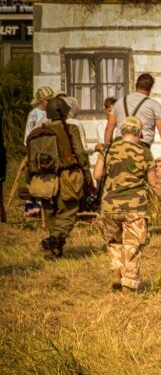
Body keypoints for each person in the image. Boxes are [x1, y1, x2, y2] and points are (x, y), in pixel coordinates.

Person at [93, 117, 161, 292]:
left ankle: (116, 270)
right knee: (133, 245)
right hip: (134, 207)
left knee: (114, 242)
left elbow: (97, 175)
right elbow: (155, 183)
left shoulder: (108, 150)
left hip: (109, 206)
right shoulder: (144, 153)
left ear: (121, 132)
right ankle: (128, 284)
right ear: (140, 133)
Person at [25, 97, 90, 259]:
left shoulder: (36, 133)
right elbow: (80, 153)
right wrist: (86, 171)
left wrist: (29, 181)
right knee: (68, 213)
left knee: (51, 215)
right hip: (66, 177)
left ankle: (53, 250)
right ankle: (54, 239)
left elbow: (29, 159)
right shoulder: (71, 129)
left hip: (43, 181)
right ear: (65, 111)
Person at [104, 73, 161, 166]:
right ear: (150, 89)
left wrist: (107, 149)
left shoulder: (120, 102)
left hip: (119, 145)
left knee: (118, 178)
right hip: (141, 146)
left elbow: (109, 128)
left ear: (136, 85)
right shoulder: (153, 105)